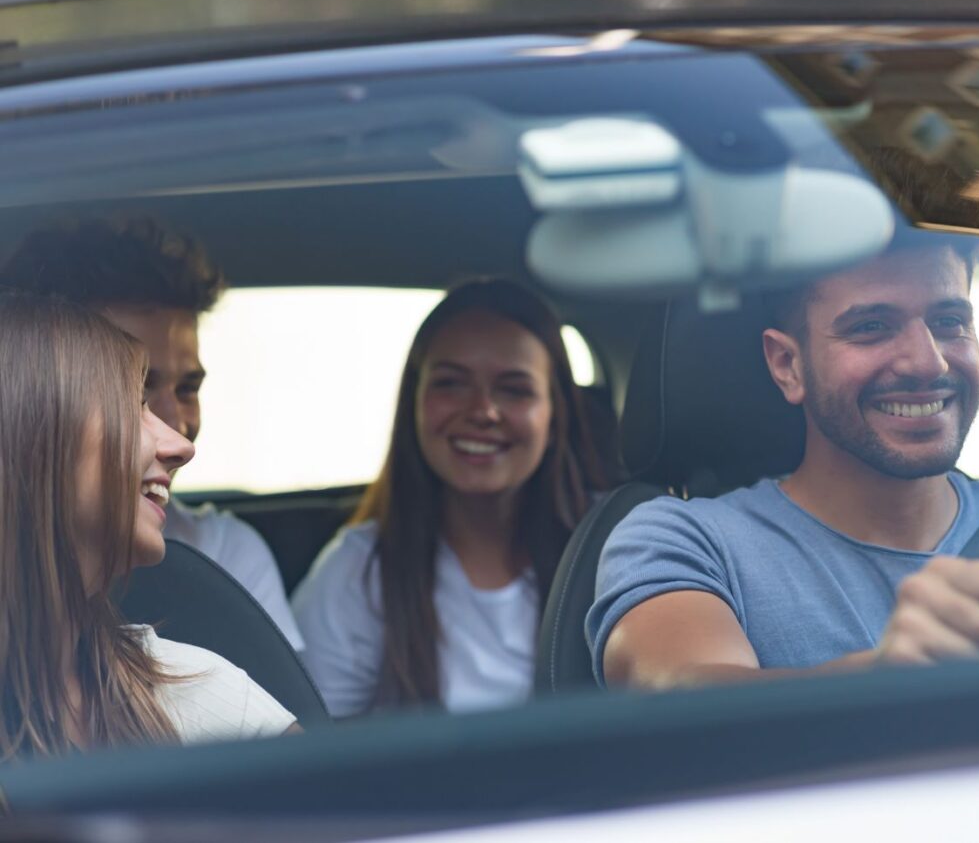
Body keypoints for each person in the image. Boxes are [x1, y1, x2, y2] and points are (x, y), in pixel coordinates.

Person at [587, 239, 979, 690]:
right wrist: (890, 677)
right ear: (787, 365)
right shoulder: (684, 539)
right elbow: (682, 699)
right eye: (871, 326)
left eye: (950, 322)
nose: (927, 362)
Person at [0, 292, 297, 759]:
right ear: (34, 437)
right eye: (133, 403)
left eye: (186, 388)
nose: (181, 444)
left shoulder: (193, 690)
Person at [292, 279, 606, 715]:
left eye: (514, 389)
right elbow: (315, 752)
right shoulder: (359, 570)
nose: (482, 411)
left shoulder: (619, 550)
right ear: (414, 404)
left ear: (555, 416)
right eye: (451, 384)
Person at [1, 217, 303, 650]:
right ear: (40, 390)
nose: (178, 430)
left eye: (188, 388)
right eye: (136, 389)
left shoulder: (226, 553)